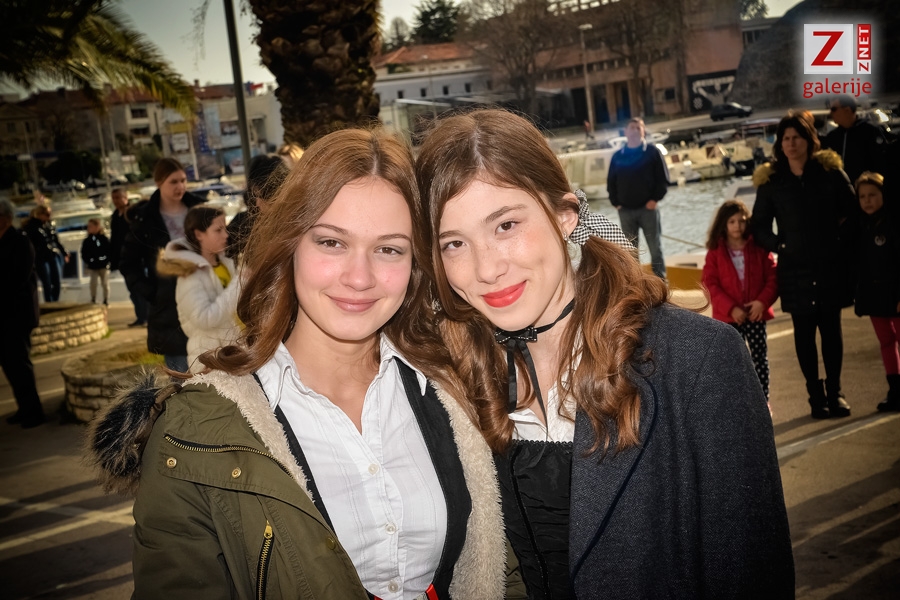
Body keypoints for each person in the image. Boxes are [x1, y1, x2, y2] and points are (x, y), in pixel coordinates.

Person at [88, 128, 514, 599]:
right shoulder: (192, 430)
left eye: (389, 248)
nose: (359, 277)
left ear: (415, 265)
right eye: (331, 242)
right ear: (290, 244)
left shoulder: (458, 387)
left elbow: (509, 564)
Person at [415, 109, 793, 598]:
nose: (486, 269)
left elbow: (752, 576)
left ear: (565, 215)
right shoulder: (451, 381)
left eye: (506, 225)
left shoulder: (699, 361)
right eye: (453, 243)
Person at [752, 112, 857, 419]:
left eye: (796, 137)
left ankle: (835, 392)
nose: (791, 143)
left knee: (831, 330)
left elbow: (852, 210)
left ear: (809, 140)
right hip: (793, 268)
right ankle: (815, 396)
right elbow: (759, 227)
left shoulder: (829, 172)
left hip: (828, 265)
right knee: (804, 333)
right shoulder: (772, 181)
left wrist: (836, 241)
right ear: (780, 144)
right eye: (785, 138)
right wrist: (780, 246)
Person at [119, 159, 205, 373]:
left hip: (205, 300)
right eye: (173, 182)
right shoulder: (145, 219)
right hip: (169, 311)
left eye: (183, 180)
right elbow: (128, 264)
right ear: (159, 183)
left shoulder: (199, 209)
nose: (180, 186)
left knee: (214, 378)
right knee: (181, 380)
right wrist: (152, 293)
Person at [702, 200, 778, 408]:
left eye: (742, 221)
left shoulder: (759, 248)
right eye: (732, 221)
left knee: (759, 359)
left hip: (756, 314)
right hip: (729, 318)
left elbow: (772, 277)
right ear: (723, 224)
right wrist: (731, 308)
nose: (738, 226)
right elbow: (710, 284)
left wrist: (762, 302)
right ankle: (737, 405)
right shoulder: (716, 252)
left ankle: (762, 402)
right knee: (732, 362)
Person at [158, 205, 241, 371]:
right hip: (208, 360)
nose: (226, 235)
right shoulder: (190, 275)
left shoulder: (227, 264)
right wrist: (240, 282)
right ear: (198, 234)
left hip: (233, 354)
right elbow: (204, 318)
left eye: (225, 228)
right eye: (218, 230)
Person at [853, 172, 900, 411]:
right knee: (886, 341)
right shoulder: (860, 226)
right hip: (874, 295)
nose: (867, 200)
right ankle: (895, 389)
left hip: (895, 293)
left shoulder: (893, 223)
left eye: (872, 195)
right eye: (862, 196)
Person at [0, 199, 45, 428]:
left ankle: (34, 412)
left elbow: (18, 277)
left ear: (5, 219)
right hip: (4, 315)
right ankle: (23, 408)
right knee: (9, 365)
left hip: (17, 314)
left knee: (20, 364)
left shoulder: (20, 241)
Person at [607, 117, 669, 279]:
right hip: (625, 211)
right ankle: (635, 285)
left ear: (643, 132)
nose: (635, 131)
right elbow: (611, 182)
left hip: (648, 209)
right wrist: (616, 203)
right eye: (632, 128)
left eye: (638, 128)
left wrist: (654, 200)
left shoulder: (652, 152)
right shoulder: (618, 156)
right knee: (630, 252)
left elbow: (663, 179)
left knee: (655, 248)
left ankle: (661, 283)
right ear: (626, 132)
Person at [226, 154, 289, 260]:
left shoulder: (294, 225)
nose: (257, 203)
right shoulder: (241, 225)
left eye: (261, 196)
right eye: (254, 195)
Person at [822, 94, 888, 184]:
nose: (830, 113)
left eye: (834, 109)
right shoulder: (832, 137)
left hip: (865, 188)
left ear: (847, 110)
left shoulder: (870, 131)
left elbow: (881, 163)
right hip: (841, 189)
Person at [109, 188, 148, 326]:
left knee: (140, 288)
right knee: (132, 289)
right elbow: (114, 240)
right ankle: (140, 316)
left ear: (125, 198)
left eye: (118, 197)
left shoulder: (131, 214)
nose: (116, 201)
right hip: (123, 259)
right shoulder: (115, 216)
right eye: (114, 198)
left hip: (136, 258)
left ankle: (145, 316)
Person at [23, 205, 68, 302]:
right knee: (47, 282)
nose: (49, 216)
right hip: (41, 257)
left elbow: (55, 240)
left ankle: (54, 301)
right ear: (40, 214)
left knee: (56, 281)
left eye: (50, 214)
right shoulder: (31, 226)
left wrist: (64, 253)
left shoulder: (49, 225)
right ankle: (49, 302)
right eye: (47, 214)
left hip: (52, 255)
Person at [81, 217, 111, 305]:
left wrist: (106, 260)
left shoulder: (104, 239)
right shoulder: (87, 241)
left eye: (91, 226)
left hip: (103, 265)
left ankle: (106, 299)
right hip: (93, 266)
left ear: (97, 227)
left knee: (105, 283)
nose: (89, 228)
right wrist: (89, 261)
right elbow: (84, 253)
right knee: (93, 283)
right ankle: (93, 298)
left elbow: (109, 251)